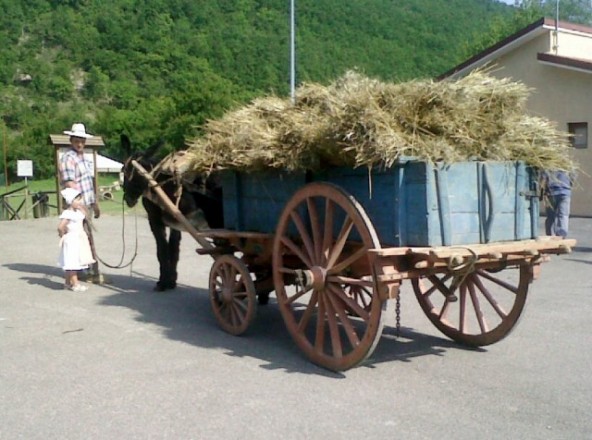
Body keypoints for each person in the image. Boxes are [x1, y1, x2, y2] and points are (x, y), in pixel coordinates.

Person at [59, 123, 101, 281]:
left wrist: (95, 203)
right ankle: (85, 272)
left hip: (87, 202)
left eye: (82, 140)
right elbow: (70, 183)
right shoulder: (68, 158)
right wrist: (78, 205)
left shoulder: (83, 157)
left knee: (86, 237)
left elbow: (88, 182)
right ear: (71, 140)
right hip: (77, 205)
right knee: (78, 238)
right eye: (77, 140)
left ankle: (87, 270)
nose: (80, 143)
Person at [57, 188, 95, 292]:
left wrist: (81, 207)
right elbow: (61, 226)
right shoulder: (68, 213)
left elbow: (85, 216)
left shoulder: (77, 212)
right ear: (70, 201)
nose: (80, 202)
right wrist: (63, 234)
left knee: (73, 260)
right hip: (72, 239)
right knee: (72, 262)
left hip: (79, 238)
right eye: (77, 200)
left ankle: (67, 282)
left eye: (80, 200)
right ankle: (75, 284)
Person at [541, 170, 572, 238]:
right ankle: (561, 235)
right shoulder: (567, 165)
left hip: (552, 193)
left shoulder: (548, 165)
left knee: (551, 216)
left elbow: (543, 179)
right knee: (563, 215)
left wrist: (542, 192)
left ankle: (550, 235)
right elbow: (573, 177)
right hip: (565, 192)